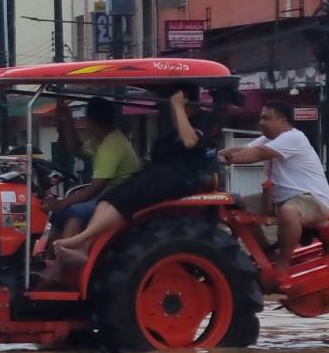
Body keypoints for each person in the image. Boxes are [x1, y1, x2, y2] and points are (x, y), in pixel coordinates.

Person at [55, 84, 218, 265]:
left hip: (182, 177)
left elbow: (190, 141)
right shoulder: (173, 128)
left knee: (126, 200)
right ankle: (84, 247)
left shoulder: (202, 119)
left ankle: (80, 238)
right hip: (159, 173)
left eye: (171, 104)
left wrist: (179, 107)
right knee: (109, 197)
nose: (170, 112)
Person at [219, 100, 329, 277]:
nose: (261, 122)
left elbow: (258, 154)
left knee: (289, 212)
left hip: (313, 200)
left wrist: (226, 160)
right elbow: (243, 149)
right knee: (238, 206)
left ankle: (282, 265)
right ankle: (267, 254)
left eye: (267, 118)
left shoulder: (294, 137)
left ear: (283, 121)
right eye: (261, 118)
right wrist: (215, 155)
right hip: (279, 199)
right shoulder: (269, 139)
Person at [44, 96, 142, 240]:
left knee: (75, 212)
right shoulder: (100, 141)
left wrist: (62, 202)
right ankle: (45, 257)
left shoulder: (112, 146)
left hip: (117, 202)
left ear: (91, 121)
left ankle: (64, 258)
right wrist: (67, 119)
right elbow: (77, 149)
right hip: (107, 198)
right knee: (59, 214)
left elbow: (95, 188)